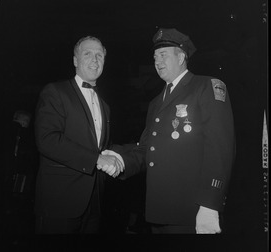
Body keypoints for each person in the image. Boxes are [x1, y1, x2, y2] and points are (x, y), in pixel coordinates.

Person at [101, 28, 236, 234]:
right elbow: (149, 148)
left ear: (182, 56)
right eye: (155, 57)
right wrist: (121, 158)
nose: (157, 61)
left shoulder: (206, 86)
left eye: (163, 55)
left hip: (193, 211)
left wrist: (210, 204)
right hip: (160, 210)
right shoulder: (156, 102)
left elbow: (220, 148)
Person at [34, 35, 124, 234]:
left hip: (95, 204)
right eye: (88, 54)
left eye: (99, 55)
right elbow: (47, 140)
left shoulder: (105, 105)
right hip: (60, 203)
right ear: (75, 60)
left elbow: (102, 148)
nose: (95, 60)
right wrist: (96, 159)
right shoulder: (55, 91)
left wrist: (119, 156)